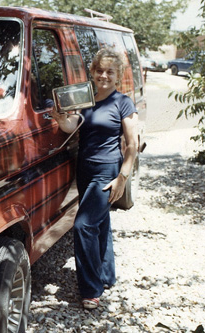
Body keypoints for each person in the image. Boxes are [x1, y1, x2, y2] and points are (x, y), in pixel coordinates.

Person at [51, 48, 139, 309]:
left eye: (110, 71)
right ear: (92, 72)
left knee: (83, 225)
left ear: (117, 75)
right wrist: (59, 119)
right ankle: (107, 275)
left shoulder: (123, 102)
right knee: (100, 222)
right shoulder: (86, 99)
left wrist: (122, 177)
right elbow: (73, 126)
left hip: (107, 171)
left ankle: (91, 289)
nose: (104, 75)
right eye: (99, 70)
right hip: (85, 169)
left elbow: (133, 145)